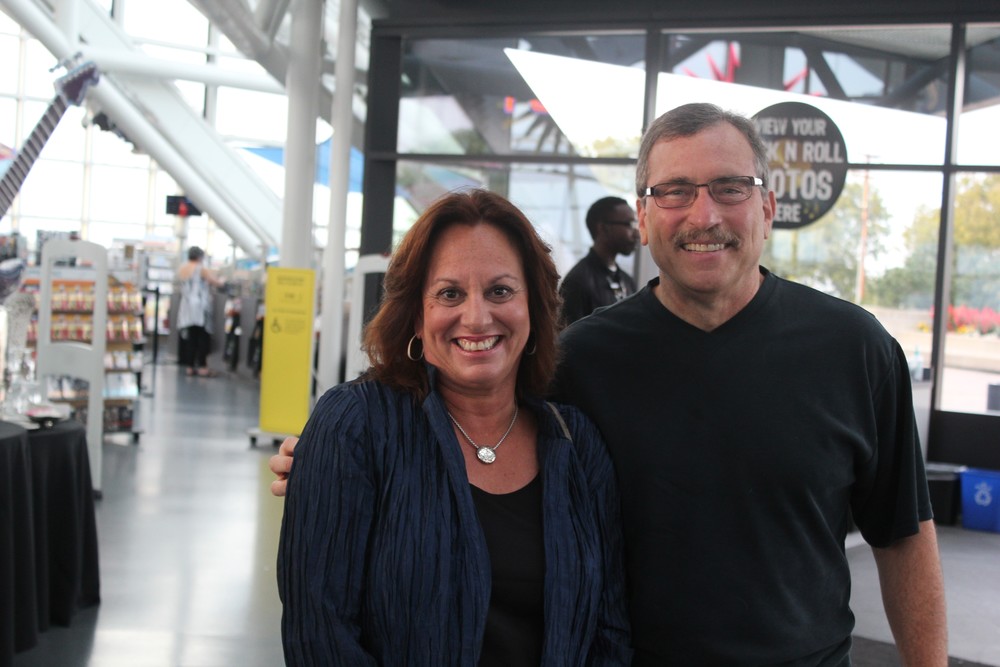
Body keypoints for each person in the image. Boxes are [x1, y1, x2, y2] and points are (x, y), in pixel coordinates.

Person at [272, 103, 947, 664]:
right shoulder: (578, 362)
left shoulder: (855, 351)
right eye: (675, 191)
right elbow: (464, 417)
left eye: (729, 188)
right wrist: (326, 461)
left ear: (767, 205)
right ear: (644, 217)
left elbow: (903, 535)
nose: (703, 215)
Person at [276, 189, 631, 665]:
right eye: (449, 294)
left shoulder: (577, 445)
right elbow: (320, 634)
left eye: (500, 291)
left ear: (534, 306)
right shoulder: (356, 426)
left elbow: (609, 628)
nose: (477, 317)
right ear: (416, 316)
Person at [558, 196, 640, 325]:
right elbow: (568, 334)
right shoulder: (578, 281)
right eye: (629, 224)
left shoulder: (627, 281)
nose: (637, 234)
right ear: (603, 228)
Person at [176, 246, 224, 377]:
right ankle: (202, 366)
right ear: (199, 257)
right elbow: (216, 282)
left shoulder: (183, 269)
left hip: (186, 307)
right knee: (202, 337)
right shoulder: (200, 268)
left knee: (191, 337)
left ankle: (190, 366)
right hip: (200, 307)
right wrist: (222, 281)